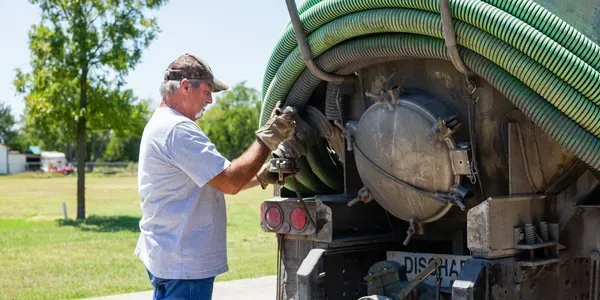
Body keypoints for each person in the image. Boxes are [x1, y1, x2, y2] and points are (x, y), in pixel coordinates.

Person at [135, 53, 296, 300]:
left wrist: (263, 177)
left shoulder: (161, 124)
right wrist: (268, 138)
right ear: (186, 86)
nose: (210, 99)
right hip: (184, 265)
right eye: (207, 91)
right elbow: (230, 181)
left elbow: (217, 180)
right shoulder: (178, 129)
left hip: (168, 257)